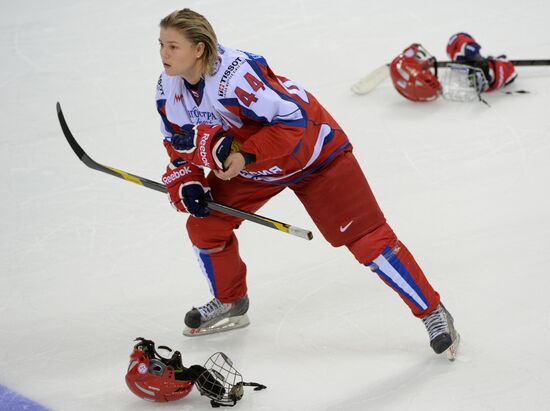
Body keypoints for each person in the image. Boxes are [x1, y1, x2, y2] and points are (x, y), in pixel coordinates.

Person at [156, 8, 459, 358]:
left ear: (198, 49)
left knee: (367, 240)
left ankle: (433, 312)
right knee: (205, 225)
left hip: (316, 155)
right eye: (161, 44)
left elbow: (292, 123)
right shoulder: (168, 87)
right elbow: (178, 140)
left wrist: (244, 156)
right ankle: (230, 302)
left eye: (173, 46)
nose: (164, 54)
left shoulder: (235, 77)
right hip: (257, 169)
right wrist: (189, 179)